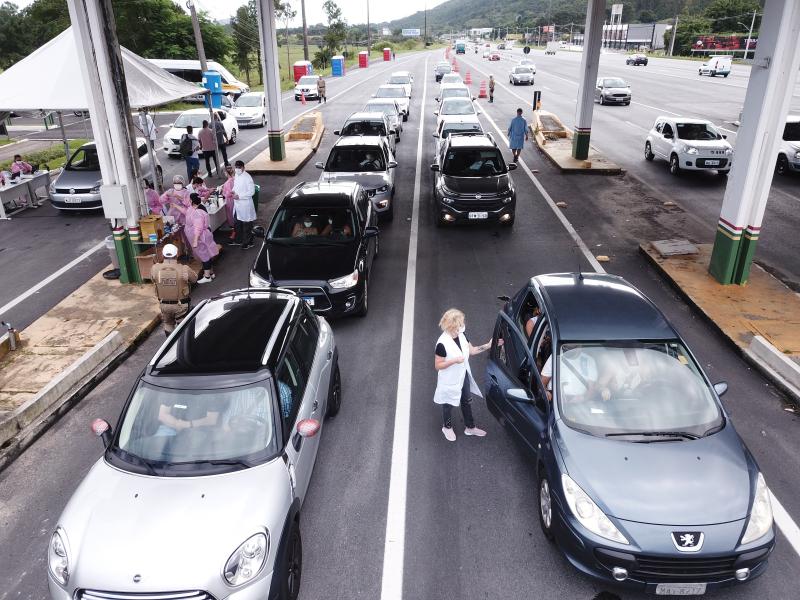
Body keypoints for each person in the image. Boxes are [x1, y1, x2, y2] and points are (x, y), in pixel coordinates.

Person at [433, 308, 494, 442]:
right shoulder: (442, 344)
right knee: (448, 403)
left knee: (466, 400)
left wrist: (488, 345)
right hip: (450, 379)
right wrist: (454, 360)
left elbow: (471, 351)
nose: (462, 325)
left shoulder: (462, 335)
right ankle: (447, 427)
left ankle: (470, 427)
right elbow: (438, 365)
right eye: (460, 324)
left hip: (463, 375)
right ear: (452, 326)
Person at [151, 243, 197, 336]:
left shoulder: (155, 268)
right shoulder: (184, 269)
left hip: (164, 304)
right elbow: (194, 279)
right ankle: (182, 345)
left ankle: (170, 343)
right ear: (176, 255)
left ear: (163, 255)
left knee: (168, 324)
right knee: (182, 327)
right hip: (181, 305)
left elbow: (153, 279)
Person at [183, 193, 218, 283]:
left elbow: (198, 228)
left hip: (200, 237)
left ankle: (207, 277)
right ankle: (211, 273)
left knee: (204, 255)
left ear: (191, 201)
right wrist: (175, 206)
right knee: (207, 253)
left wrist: (195, 241)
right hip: (203, 235)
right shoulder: (198, 207)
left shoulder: (197, 213)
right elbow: (186, 211)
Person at [230, 160, 256, 249]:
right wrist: (233, 191)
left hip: (245, 205)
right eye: (236, 167)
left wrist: (239, 196)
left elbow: (251, 192)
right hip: (237, 205)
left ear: (243, 168)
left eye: (239, 167)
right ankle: (239, 240)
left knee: (247, 224)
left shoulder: (247, 178)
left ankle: (248, 242)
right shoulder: (237, 175)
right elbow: (236, 186)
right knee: (237, 223)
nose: (237, 169)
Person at [220, 165, 237, 236]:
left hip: (230, 200)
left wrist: (224, 193)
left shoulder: (228, 182)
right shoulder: (234, 179)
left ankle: (233, 228)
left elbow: (230, 192)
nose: (224, 174)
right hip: (234, 199)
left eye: (224, 172)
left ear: (227, 173)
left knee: (230, 213)